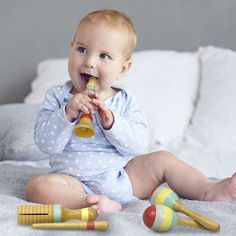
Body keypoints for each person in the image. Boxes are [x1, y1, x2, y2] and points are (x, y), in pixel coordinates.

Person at [25, 9, 236, 214]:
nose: (89, 62)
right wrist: (67, 114)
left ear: (122, 69)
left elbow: (137, 144)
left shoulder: (124, 100)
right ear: (70, 49)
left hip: (122, 176)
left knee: (164, 159)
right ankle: (91, 204)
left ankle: (209, 190)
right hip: (73, 182)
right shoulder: (58, 96)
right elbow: (46, 144)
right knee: (38, 187)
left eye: (104, 56)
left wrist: (112, 123)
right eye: (81, 50)